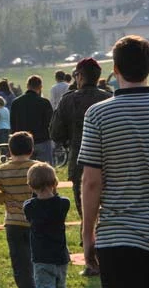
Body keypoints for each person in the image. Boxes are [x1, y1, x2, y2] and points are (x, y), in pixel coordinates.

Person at [78, 35, 149, 287]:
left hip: (118, 237)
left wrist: (88, 234)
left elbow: (91, 182)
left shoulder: (98, 114)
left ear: (115, 70)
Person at [49, 57, 110, 270]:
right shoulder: (109, 97)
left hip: (80, 163)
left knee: (87, 213)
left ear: (80, 76)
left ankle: (92, 262)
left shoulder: (68, 100)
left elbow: (55, 133)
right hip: (107, 163)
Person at [0, 131, 38, 288]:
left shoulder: (1, 170)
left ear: (10, 151)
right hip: (37, 221)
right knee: (39, 260)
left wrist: (2, 198)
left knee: (20, 264)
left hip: (13, 223)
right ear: (31, 149)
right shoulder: (37, 168)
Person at [24, 162, 70, 288]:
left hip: (41, 257)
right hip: (61, 256)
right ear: (55, 183)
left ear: (31, 186)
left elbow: (29, 218)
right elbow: (58, 198)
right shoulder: (64, 203)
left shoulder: (29, 206)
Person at [10, 76, 54, 164]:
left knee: (25, 173)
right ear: (40, 87)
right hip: (42, 141)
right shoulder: (44, 103)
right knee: (44, 172)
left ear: (27, 86)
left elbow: (13, 125)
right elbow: (51, 123)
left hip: (22, 143)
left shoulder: (16, 103)